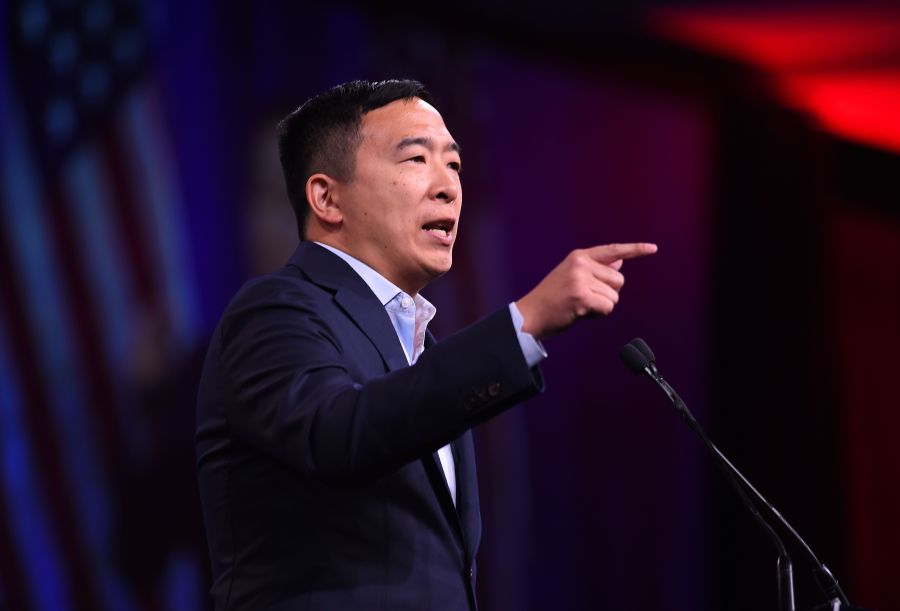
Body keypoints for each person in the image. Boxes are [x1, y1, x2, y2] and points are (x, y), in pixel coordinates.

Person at [195, 79, 656, 610]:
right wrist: (523, 323)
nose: (448, 187)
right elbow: (337, 434)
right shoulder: (274, 310)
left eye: (455, 165)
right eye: (416, 160)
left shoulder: (420, 347)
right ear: (326, 197)